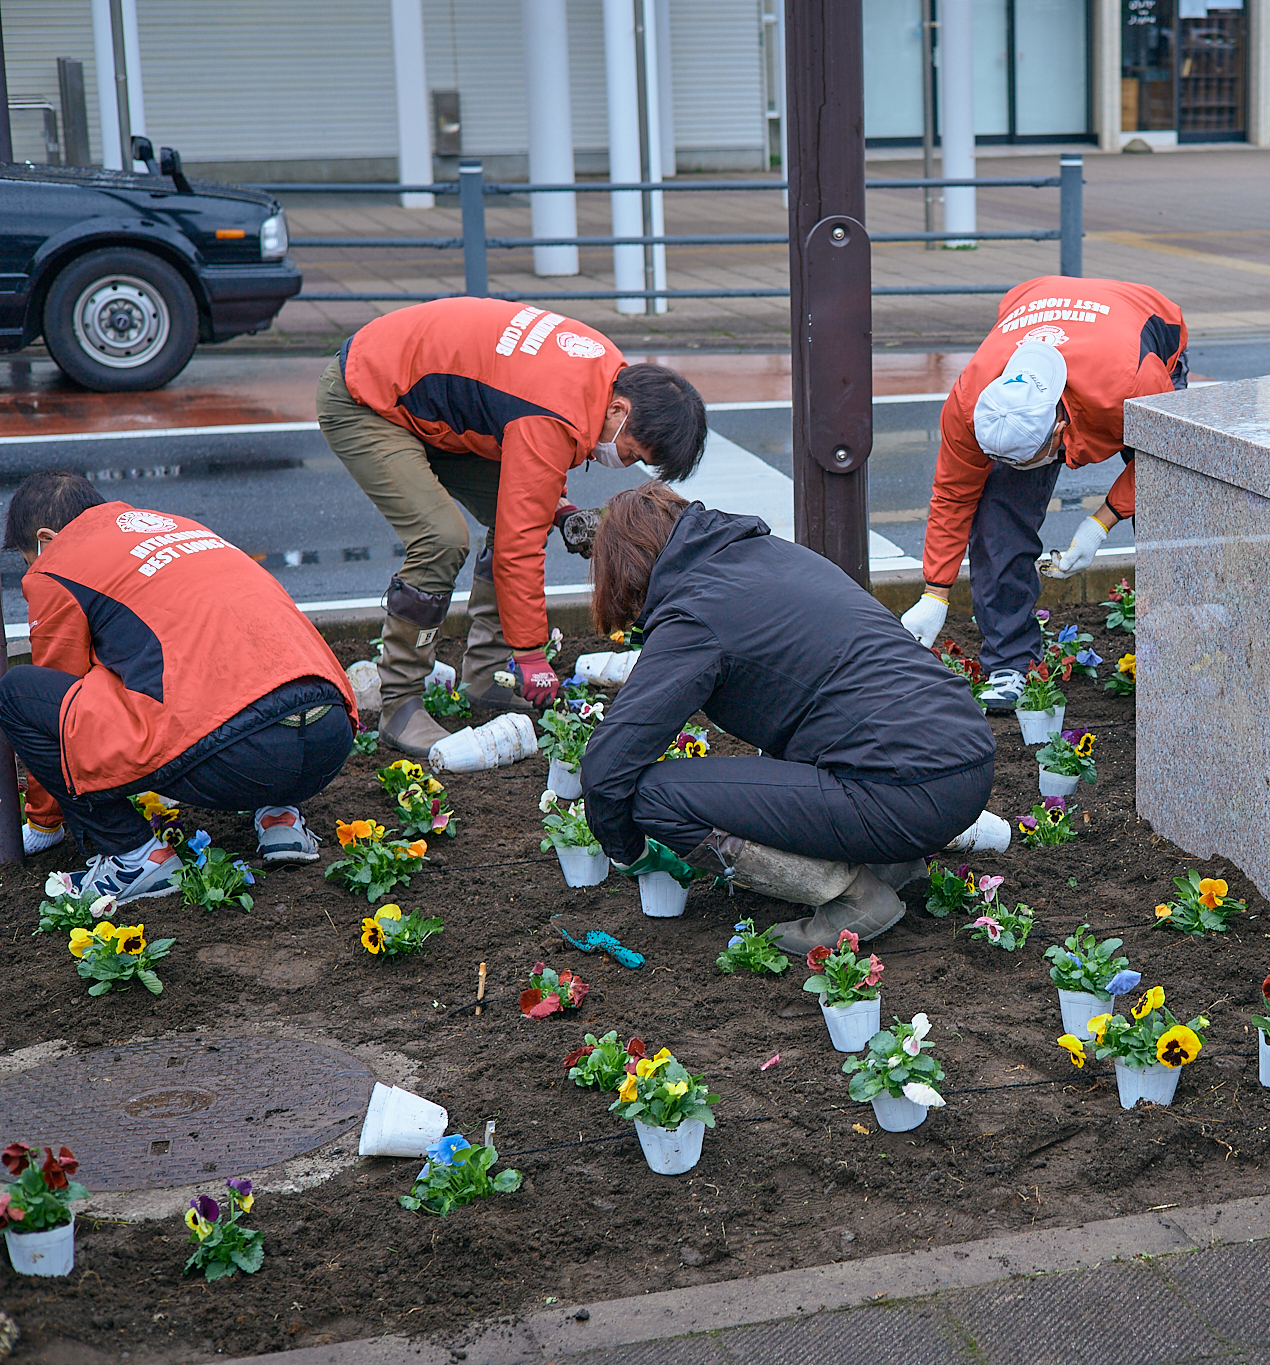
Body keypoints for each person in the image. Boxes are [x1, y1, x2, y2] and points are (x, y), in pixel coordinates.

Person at [578, 483, 999, 952]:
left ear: (627, 567)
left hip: (903, 793)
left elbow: (606, 768)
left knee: (655, 797)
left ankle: (853, 897)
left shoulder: (694, 611)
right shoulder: (774, 554)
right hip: (969, 762)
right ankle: (892, 864)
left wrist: (629, 852)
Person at [318, 298, 707, 757]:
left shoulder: (603, 368)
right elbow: (519, 540)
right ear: (620, 409)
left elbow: (529, 446)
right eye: (634, 454)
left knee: (532, 514)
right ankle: (398, 705)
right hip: (367, 395)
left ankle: (484, 672)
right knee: (441, 538)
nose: (626, 465)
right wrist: (530, 655)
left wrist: (557, 508)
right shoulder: (555, 411)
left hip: (434, 407)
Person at [0, 473, 357, 902]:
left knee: (18, 693)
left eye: (27, 560)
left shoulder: (59, 565)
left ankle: (133, 857)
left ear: (46, 539)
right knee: (231, 668)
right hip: (330, 736)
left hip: (238, 757)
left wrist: (45, 821)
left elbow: (59, 703)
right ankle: (280, 820)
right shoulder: (179, 527)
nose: (30, 572)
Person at [896, 277, 1187, 710]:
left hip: (1142, 328)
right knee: (997, 517)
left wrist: (1099, 523)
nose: (1016, 470)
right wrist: (934, 592)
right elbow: (953, 495)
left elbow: (1166, 460)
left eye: (1026, 459)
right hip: (1034, 299)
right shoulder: (971, 403)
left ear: (1059, 432)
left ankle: (1181, 648)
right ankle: (1010, 663)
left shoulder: (1133, 383)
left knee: (1168, 505)